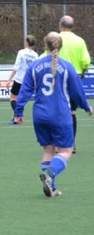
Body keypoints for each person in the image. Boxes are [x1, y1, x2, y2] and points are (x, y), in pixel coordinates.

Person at [14, 32, 92, 198]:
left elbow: (25, 90)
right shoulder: (67, 66)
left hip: (40, 115)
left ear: (45, 45)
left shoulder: (35, 66)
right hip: (60, 115)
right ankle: (50, 174)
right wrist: (86, 107)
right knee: (66, 151)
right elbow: (77, 92)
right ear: (60, 46)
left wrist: (18, 112)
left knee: (49, 150)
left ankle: (52, 188)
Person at [57, 15, 91, 146]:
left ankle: (59, 142)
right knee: (72, 111)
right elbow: (86, 61)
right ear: (72, 27)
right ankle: (70, 143)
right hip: (74, 79)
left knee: (59, 110)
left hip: (58, 77)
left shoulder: (55, 38)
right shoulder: (79, 41)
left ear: (60, 25)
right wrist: (83, 70)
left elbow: (46, 56)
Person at [7, 35, 38, 125]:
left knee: (13, 98)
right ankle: (17, 116)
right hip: (29, 81)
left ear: (27, 42)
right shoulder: (35, 55)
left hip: (19, 79)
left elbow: (16, 66)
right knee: (21, 100)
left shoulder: (21, 52)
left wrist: (9, 79)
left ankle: (18, 116)